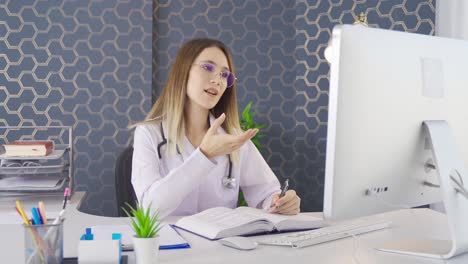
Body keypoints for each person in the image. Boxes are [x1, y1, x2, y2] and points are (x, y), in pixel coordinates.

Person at [131, 38, 301, 219]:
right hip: (169, 243)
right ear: (183, 71)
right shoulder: (149, 134)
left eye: (224, 75)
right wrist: (204, 155)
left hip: (220, 244)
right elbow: (149, 208)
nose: (217, 80)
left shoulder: (233, 136)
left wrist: (280, 202)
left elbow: (266, 194)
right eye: (207, 68)